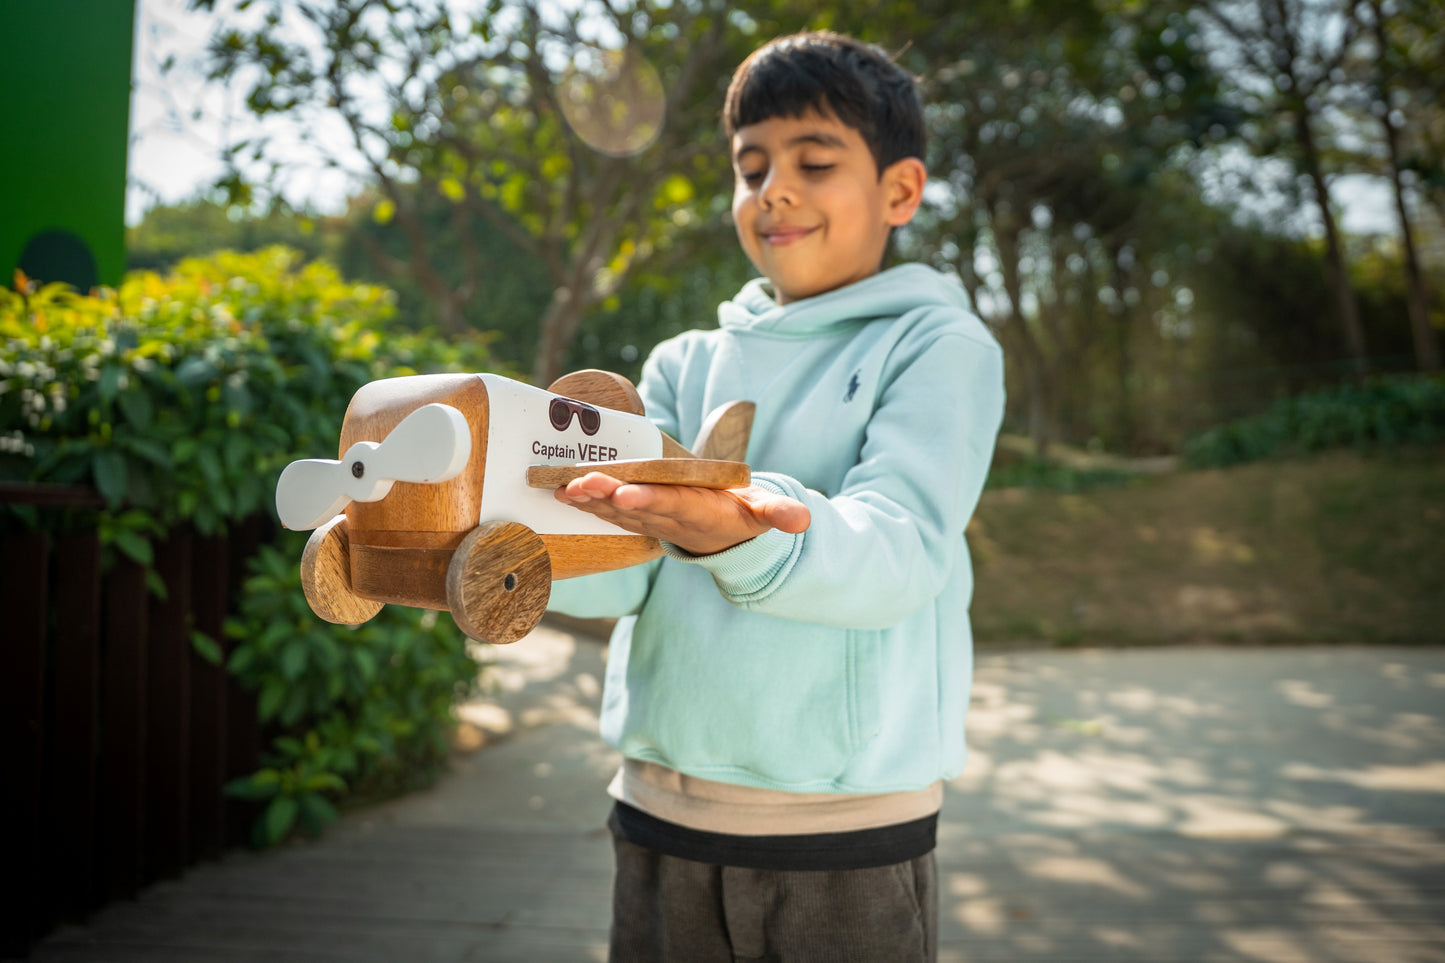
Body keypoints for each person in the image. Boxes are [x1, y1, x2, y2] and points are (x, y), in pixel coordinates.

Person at [546, 29, 1005, 962]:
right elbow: (622, 569)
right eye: (749, 167)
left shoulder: (937, 345)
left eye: (813, 160)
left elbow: (899, 550)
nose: (773, 190)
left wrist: (741, 532)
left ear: (900, 191)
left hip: (843, 828)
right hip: (657, 808)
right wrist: (524, 550)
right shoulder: (683, 363)